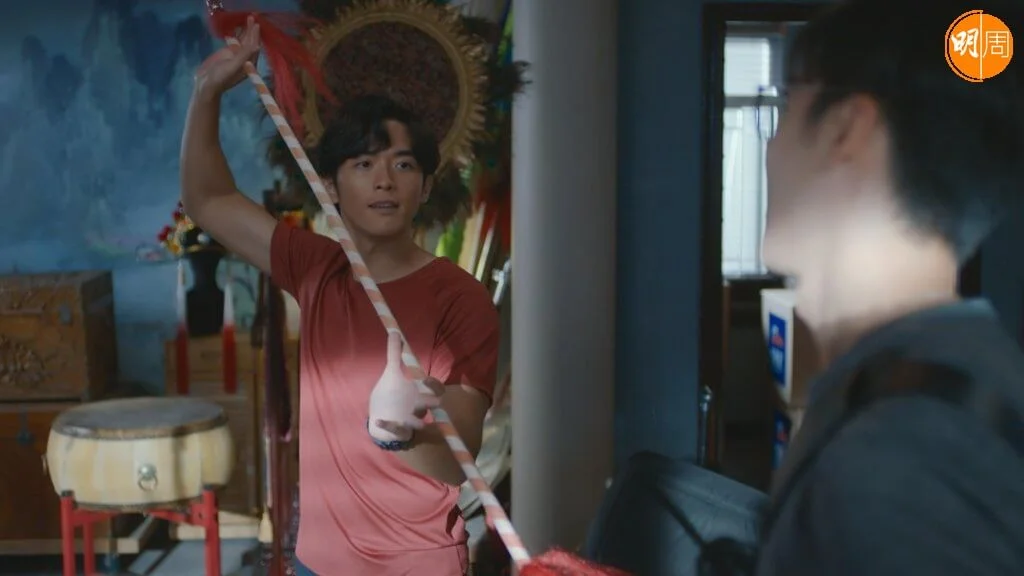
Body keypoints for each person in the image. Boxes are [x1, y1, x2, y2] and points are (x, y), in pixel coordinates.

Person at [180, 19, 499, 576]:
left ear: (426, 186)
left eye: (404, 164)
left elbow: (459, 458)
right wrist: (206, 93)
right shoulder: (316, 268)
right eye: (363, 163)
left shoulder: (460, 298)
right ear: (330, 186)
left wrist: (399, 429)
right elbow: (207, 200)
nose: (384, 180)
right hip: (318, 563)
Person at [757, 0, 1024, 574]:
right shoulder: (921, 384)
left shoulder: (907, 455)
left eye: (784, 107)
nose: (770, 149)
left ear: (846, 128)